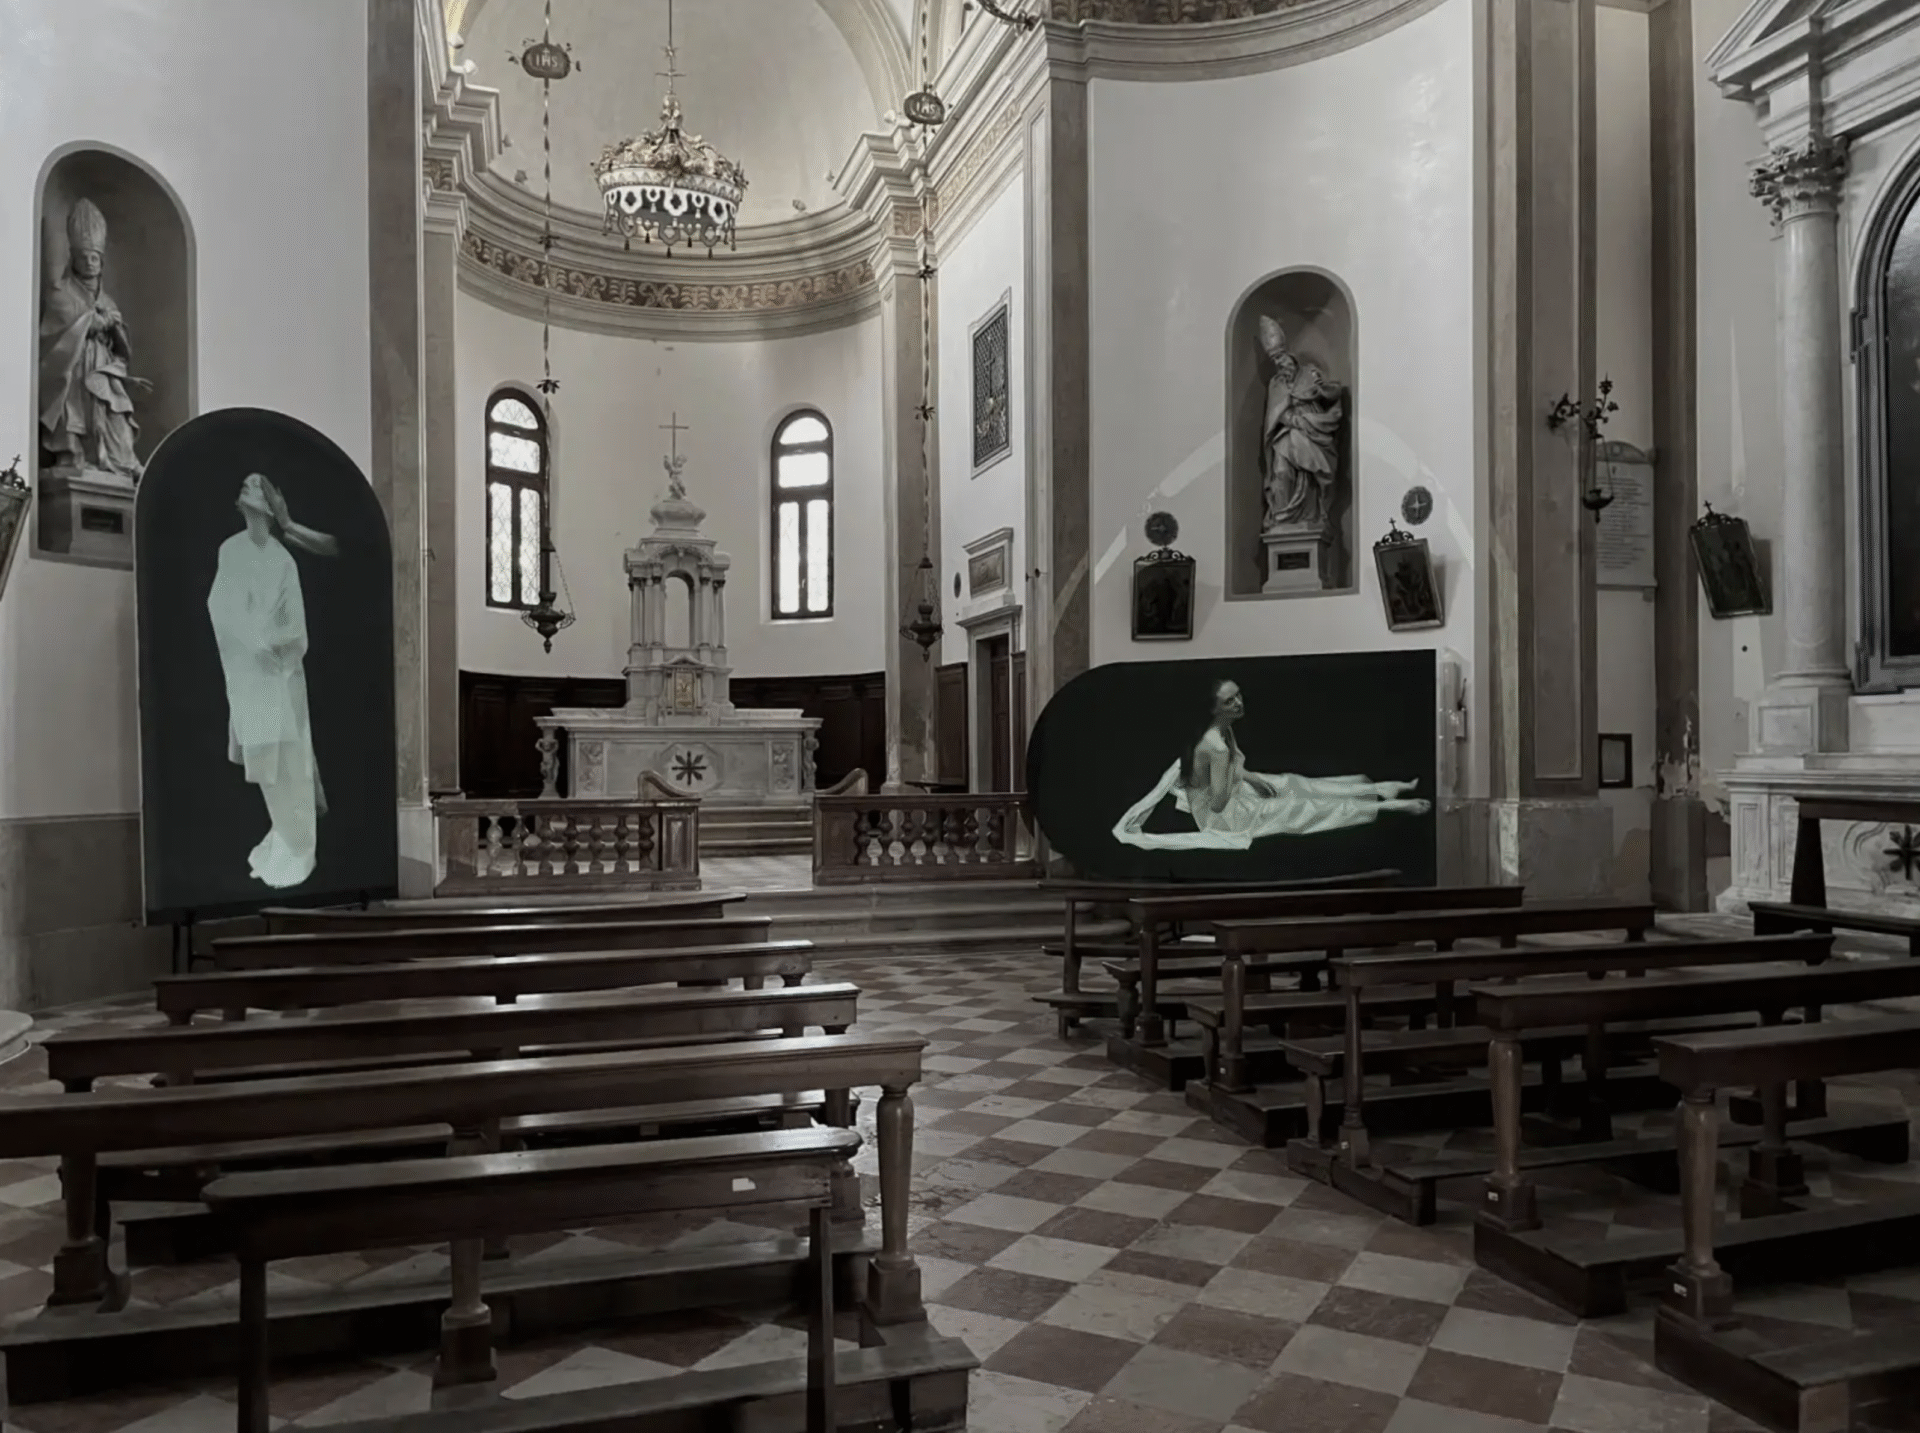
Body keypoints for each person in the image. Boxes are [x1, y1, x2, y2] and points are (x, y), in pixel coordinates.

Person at [1113, 677, 1428, 850]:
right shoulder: (1215, 745)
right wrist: (1238, 784)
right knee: (1300, 807)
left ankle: (1379, 788)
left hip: (1229, 796)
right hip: (1224, 818)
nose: (1238, 703)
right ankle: (1389, 806)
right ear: (1214, 709)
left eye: (1238, 695)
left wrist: (1249, 778)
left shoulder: (1222, 730)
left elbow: (1228, 771)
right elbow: (1218, 802)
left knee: (1291, 783)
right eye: (1229, 701)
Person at [207, 474, 338, 888]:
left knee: (291, 763)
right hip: (249, 673)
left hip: (281, 673)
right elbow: (220, 605)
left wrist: (274, 644)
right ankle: (283, 834)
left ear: (269, 504)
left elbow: (295, 624)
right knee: (265, 761)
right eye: (244, 485)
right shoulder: (230, 550)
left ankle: (299, 845)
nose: (246, 488)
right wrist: (252, 640)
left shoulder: (283, 561)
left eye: (256, 486)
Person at [38, 198, 148, 481]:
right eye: (84, 257)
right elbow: (54, 330)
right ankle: (73, 453)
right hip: (73, 364)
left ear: (101, 262)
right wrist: (91, 322)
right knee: (73, 410)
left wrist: (113, 328)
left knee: (114, 410)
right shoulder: (62, 292)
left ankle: (122, 461)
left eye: (94, 258)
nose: (89, 263)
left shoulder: (107, 300)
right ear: (73, 259)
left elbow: (121, 344)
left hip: (102, 366)